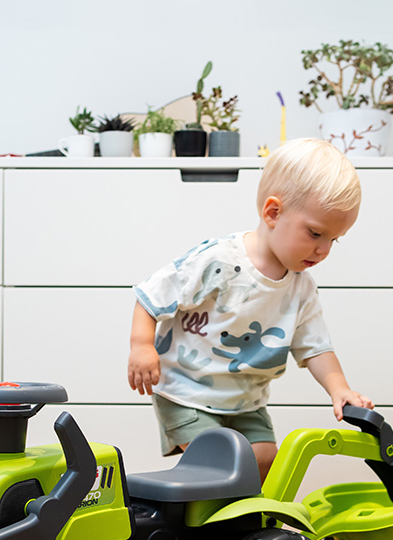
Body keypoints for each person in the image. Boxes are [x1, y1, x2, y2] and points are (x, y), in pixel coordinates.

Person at [127, 138, 374, 483]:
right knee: (220, 463)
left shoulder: (301, 287)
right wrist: (142, 344)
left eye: (334, 239)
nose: (323, 250)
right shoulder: (220, 261)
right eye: (316, 233)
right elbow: (153, 293)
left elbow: (316, 347)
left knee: (265, 460)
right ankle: (200, 529)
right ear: (273, 213)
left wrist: (339, 388)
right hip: (186, 390)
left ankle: (237, 530)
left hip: (246, 402)